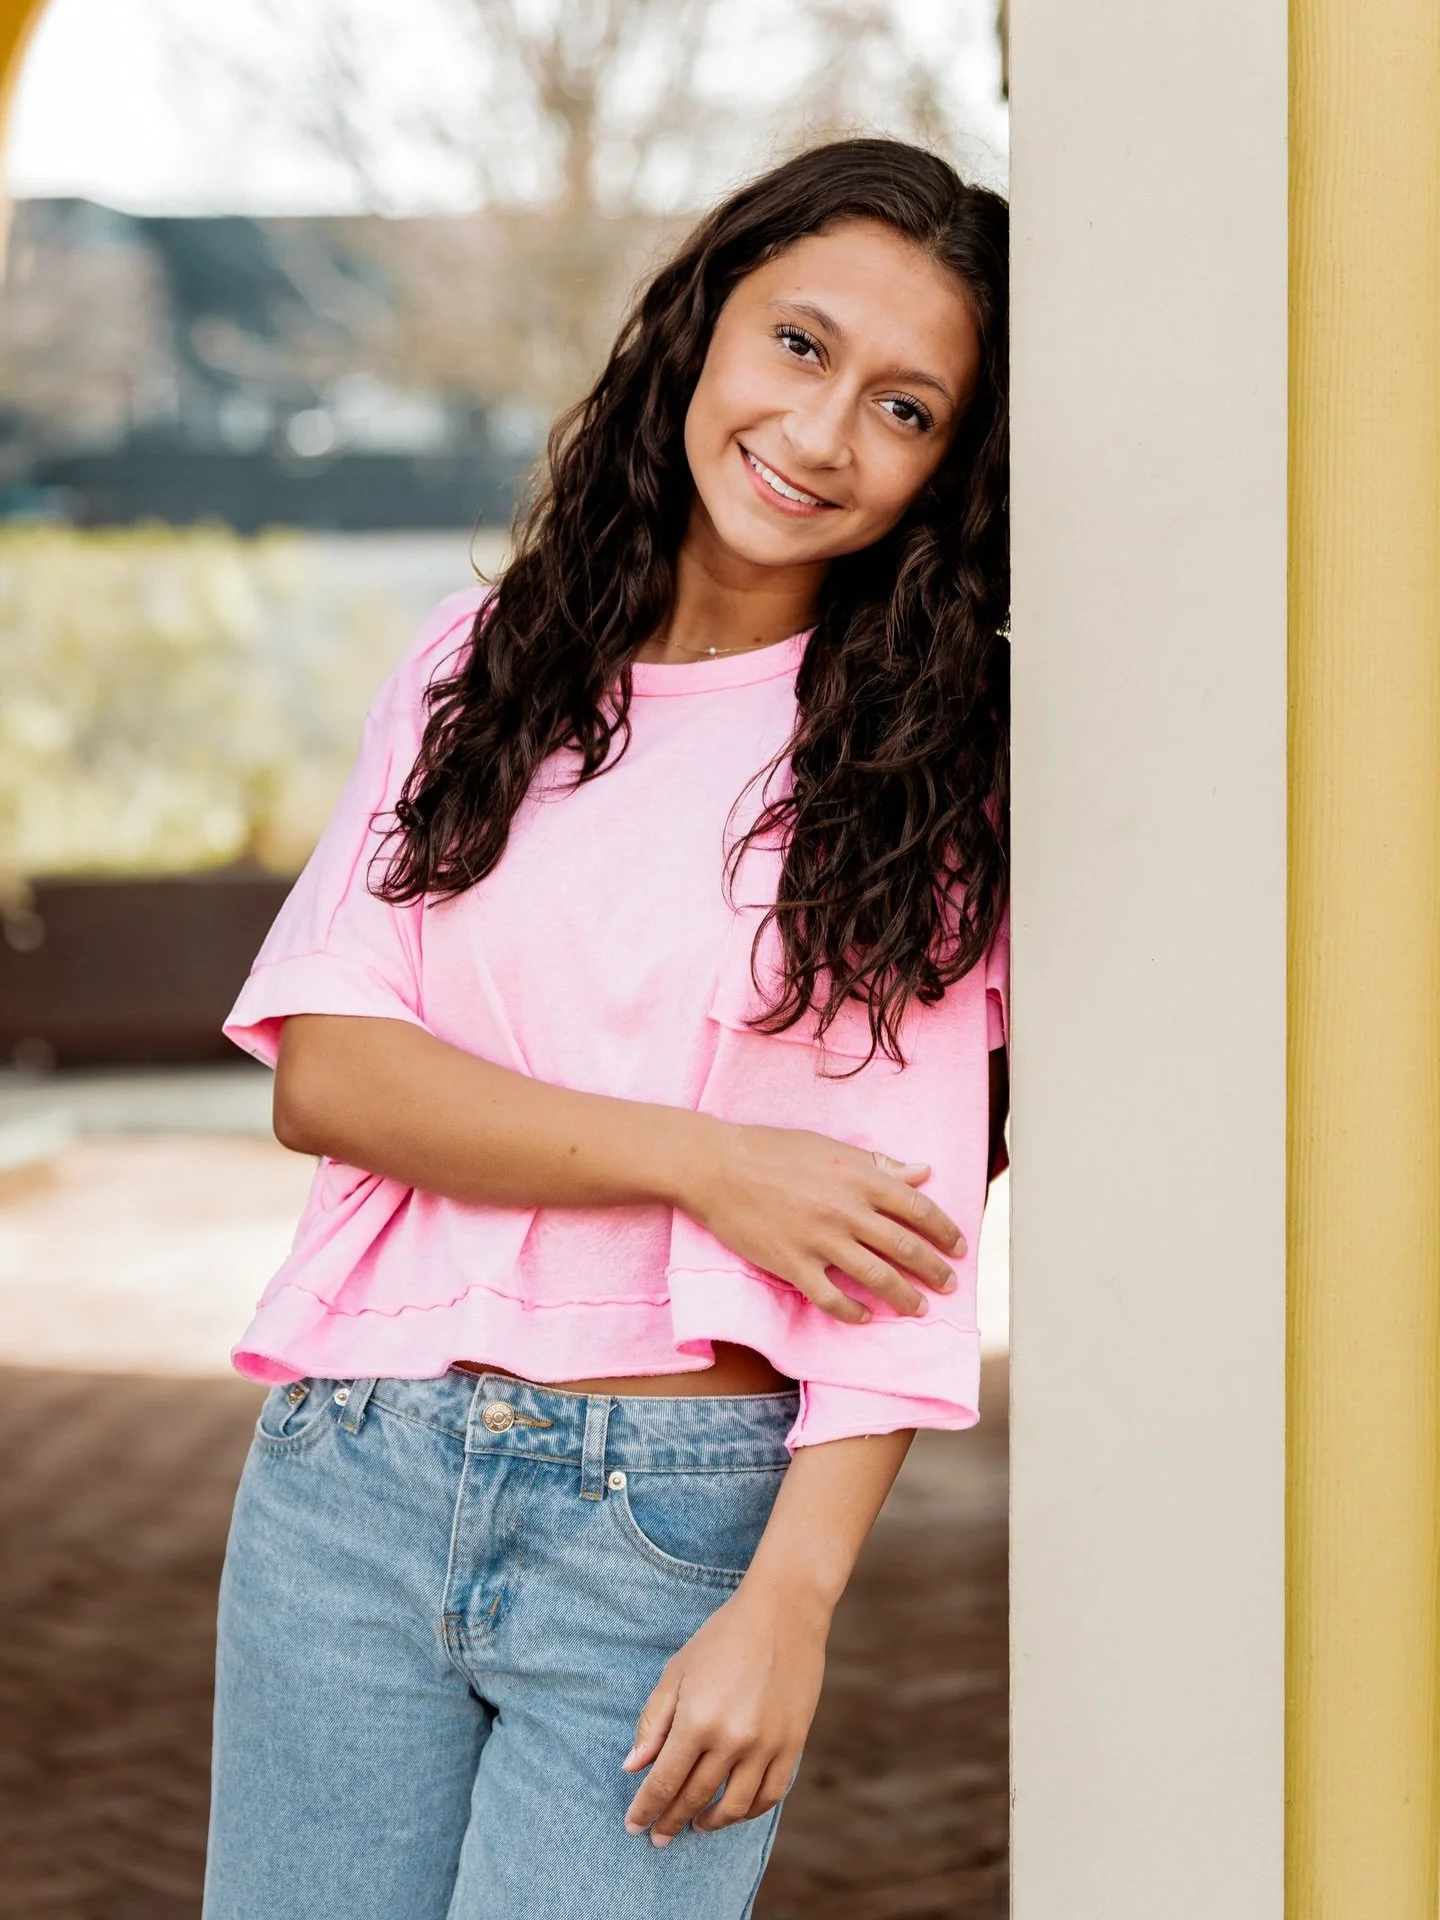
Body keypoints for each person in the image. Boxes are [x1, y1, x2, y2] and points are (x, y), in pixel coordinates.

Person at [203, 136, 1009, 1920]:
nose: (817, 436)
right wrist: (709, 1166)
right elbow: (331, 1075)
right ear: (706, 328)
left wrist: (789, 1603)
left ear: (954, 466)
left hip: (674, 1515)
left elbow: (897, 1236)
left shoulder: (927, 766)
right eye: (799, 347)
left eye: (904, 407)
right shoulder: (473, 662)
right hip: (354, 1467)